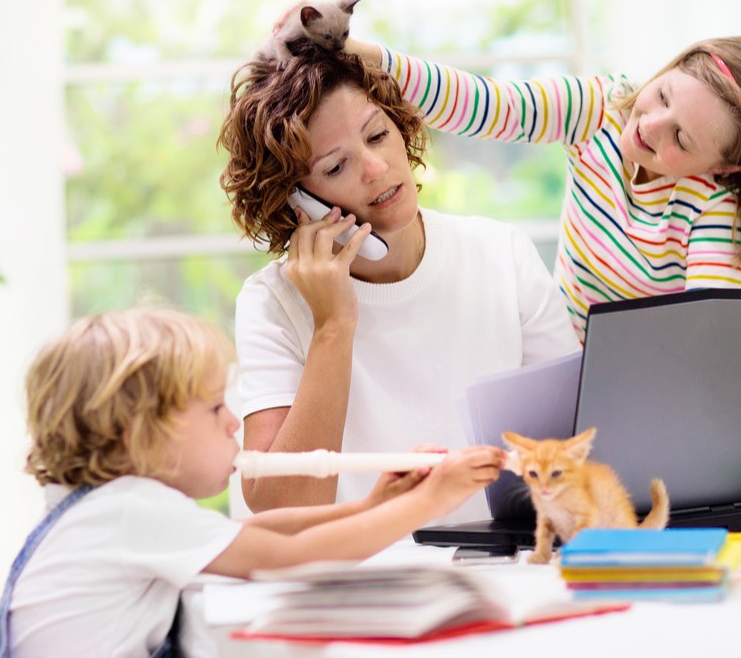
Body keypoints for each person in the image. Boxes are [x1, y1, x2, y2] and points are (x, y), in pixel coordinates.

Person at [0, 307, 505, 657]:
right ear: (140, 436)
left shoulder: (106, 510)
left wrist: (373, 505)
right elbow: (289, 560)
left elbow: (263, 535)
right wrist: (430, 503)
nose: (234, 422)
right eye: (215, 407)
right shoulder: (129, 509)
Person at [217, 44, 579, 521]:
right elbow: (281, 511)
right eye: (335, 167)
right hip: (351, 579)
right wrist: (333, 325)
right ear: (295, 203)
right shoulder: (272, 303)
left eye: (377, 135)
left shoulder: (501, 254)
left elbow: (579, 446)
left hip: (500, 568)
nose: (376, 167)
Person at [344, 36, 741, 342]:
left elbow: (703, 337)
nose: (649, 125)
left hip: (634, 389)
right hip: (551, 354)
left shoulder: (716, 208)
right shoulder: (601, 108)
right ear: (672, 65)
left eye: (681, 138)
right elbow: (488, 106)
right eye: (663, 95)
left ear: (726, 167)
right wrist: (364, 54)